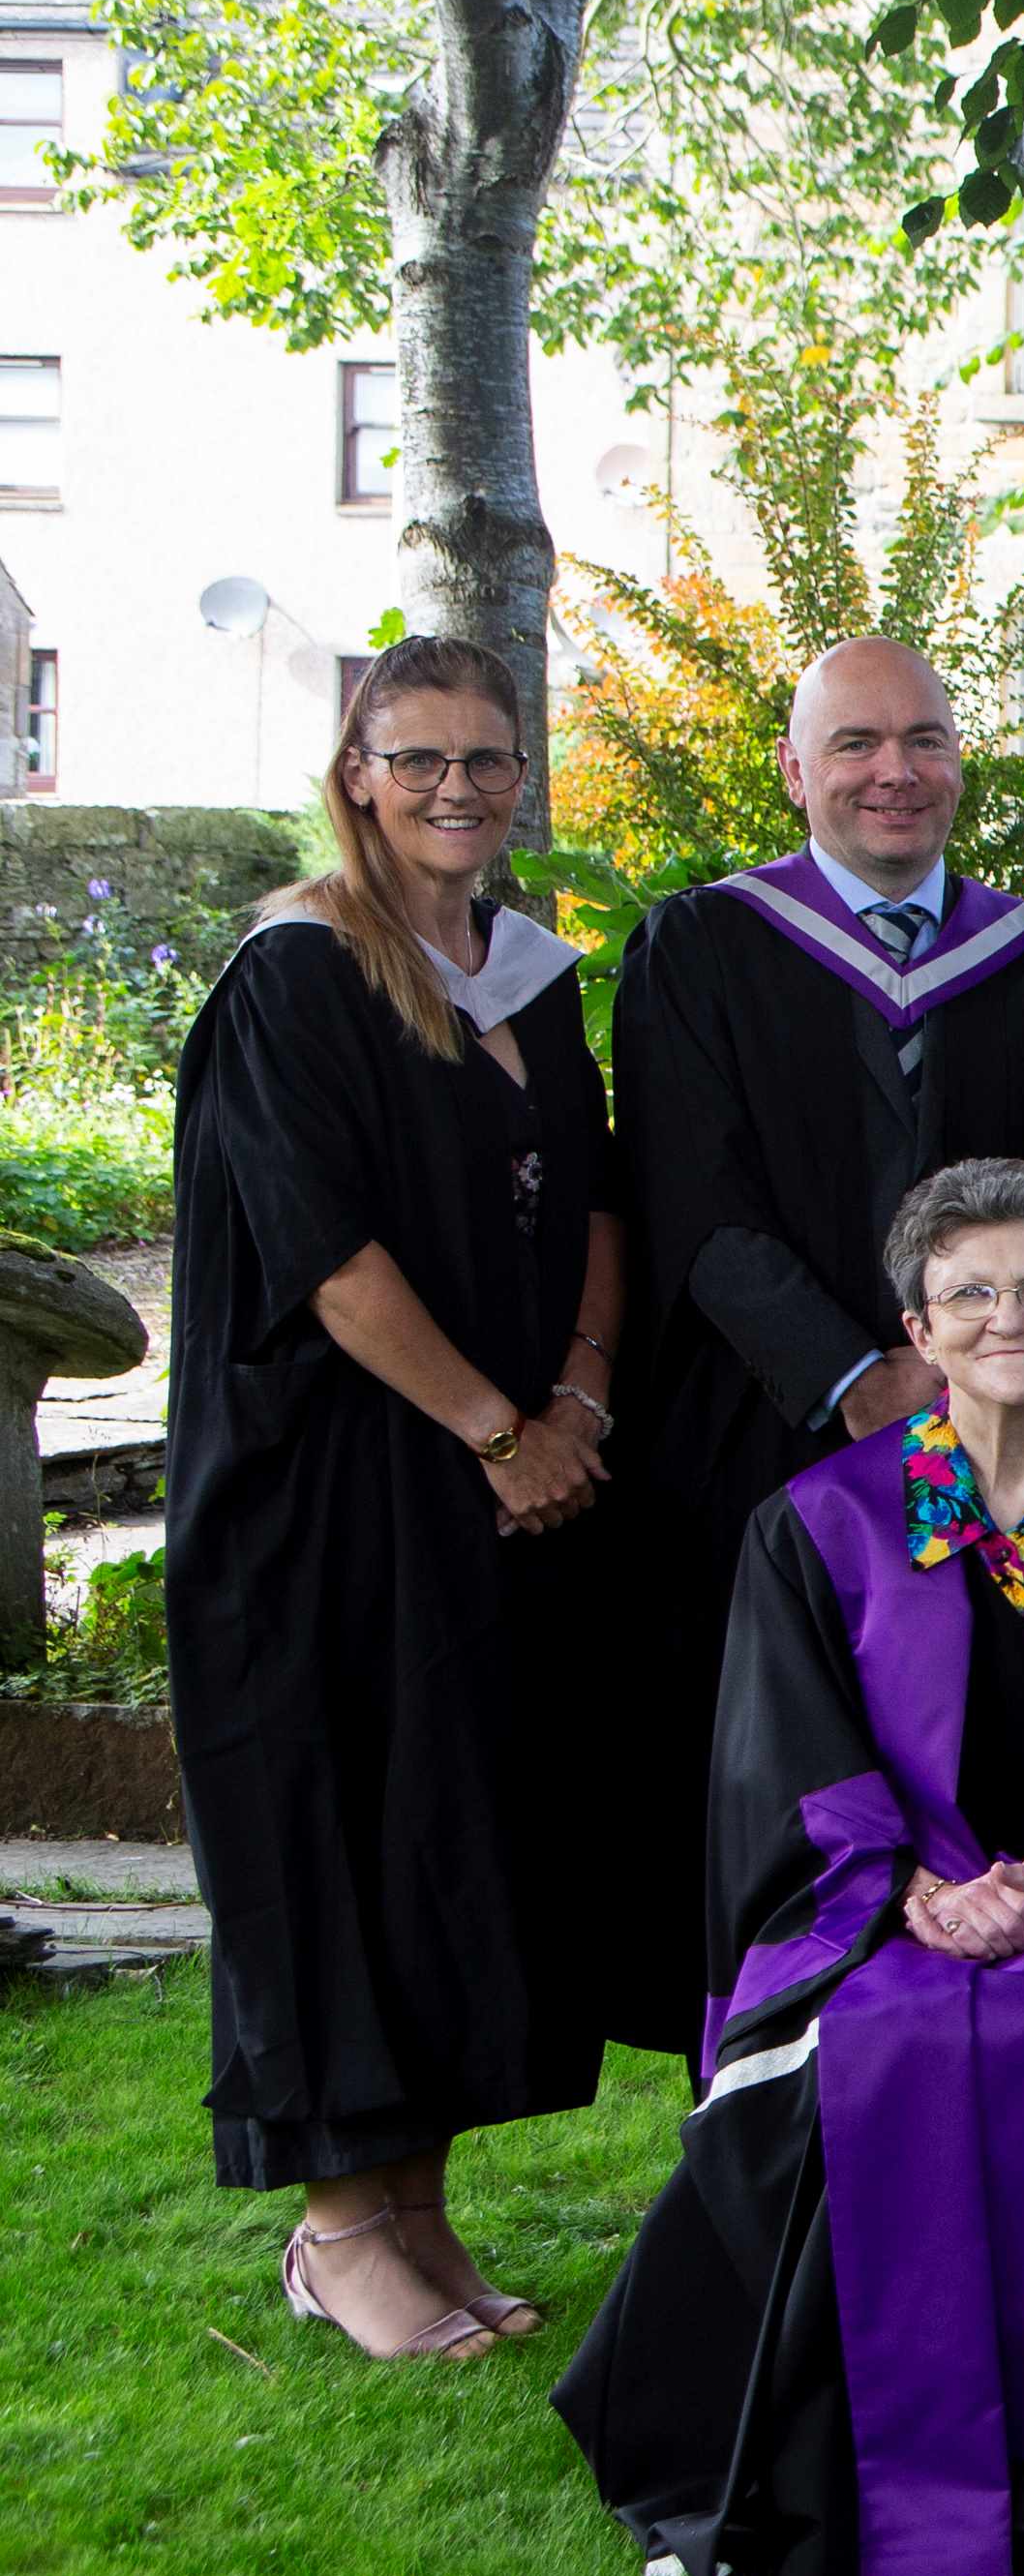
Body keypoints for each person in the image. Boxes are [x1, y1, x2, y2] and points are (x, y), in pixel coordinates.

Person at [554, 1164, 1024, 2576]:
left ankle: (1008, 2454)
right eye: (971, 1293)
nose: (1008, 1316)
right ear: (919, 1329)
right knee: (883, 2048)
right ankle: (859, 2458)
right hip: (881, 1910)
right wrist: (920, 1903)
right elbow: (793, 1766)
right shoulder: (821, 1523)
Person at [168, 641, 624, 2363]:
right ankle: (338, 2223)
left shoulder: (524, 978)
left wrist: (574, 1402)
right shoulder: (296, 978)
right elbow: (326, 1256)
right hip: (328, 1487)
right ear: (354, 768)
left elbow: (592, 1198)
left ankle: (418, 2208)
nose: (458, 787)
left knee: (450, 1827)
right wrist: (501, 1432)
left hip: (494, 1473)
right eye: (419, 756)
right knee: (335, 1829)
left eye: (489, 758)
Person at [611, 633, 1024, 2047]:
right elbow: (692, 1201)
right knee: (785, 1771)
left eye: (924, 741)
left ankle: (991, 2080)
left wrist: (982, 1375)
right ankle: (761, 2100)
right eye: (857, 746)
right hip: (767, 1440)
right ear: (794, 770)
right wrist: (865, 1377)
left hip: (1003, 1441)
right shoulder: (699, 948)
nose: (896, 774)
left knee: (986, 1762)